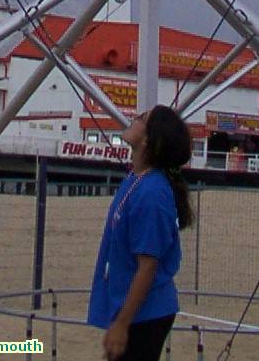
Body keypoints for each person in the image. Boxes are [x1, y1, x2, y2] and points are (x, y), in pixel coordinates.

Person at [88, 106, 193, 361]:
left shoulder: (152, 193)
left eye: (141, 119)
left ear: (149, 140)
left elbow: (148, 266)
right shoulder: (136, 179)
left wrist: (123, 324)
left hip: (145, 313)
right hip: (133, 308)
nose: (133, 118)